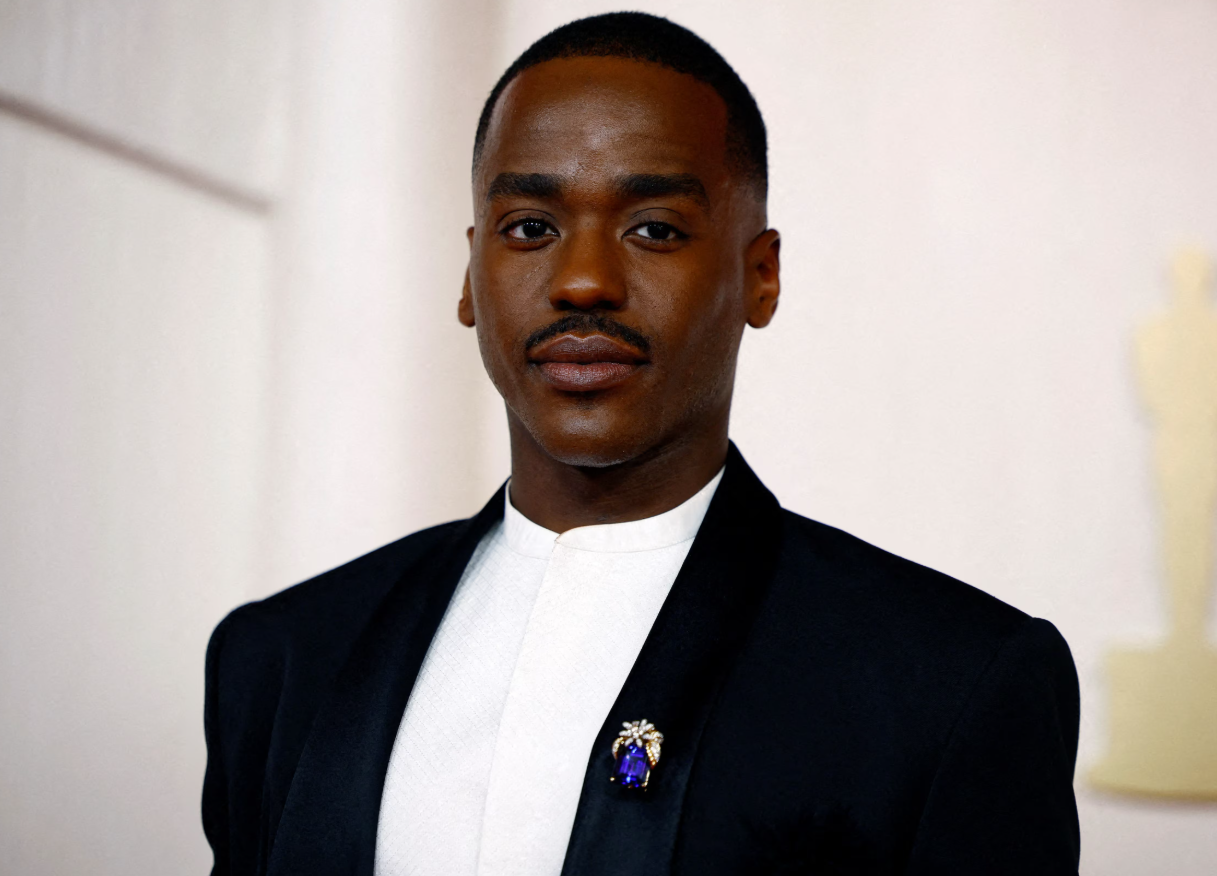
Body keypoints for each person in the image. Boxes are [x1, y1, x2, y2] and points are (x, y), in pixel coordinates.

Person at [202, 12, 1079, 875]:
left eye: (653, 228)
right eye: (530, 229)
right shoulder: (281, 658)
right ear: (471, 275)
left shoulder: (950, 683)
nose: (583, 279)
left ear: (759, 276)